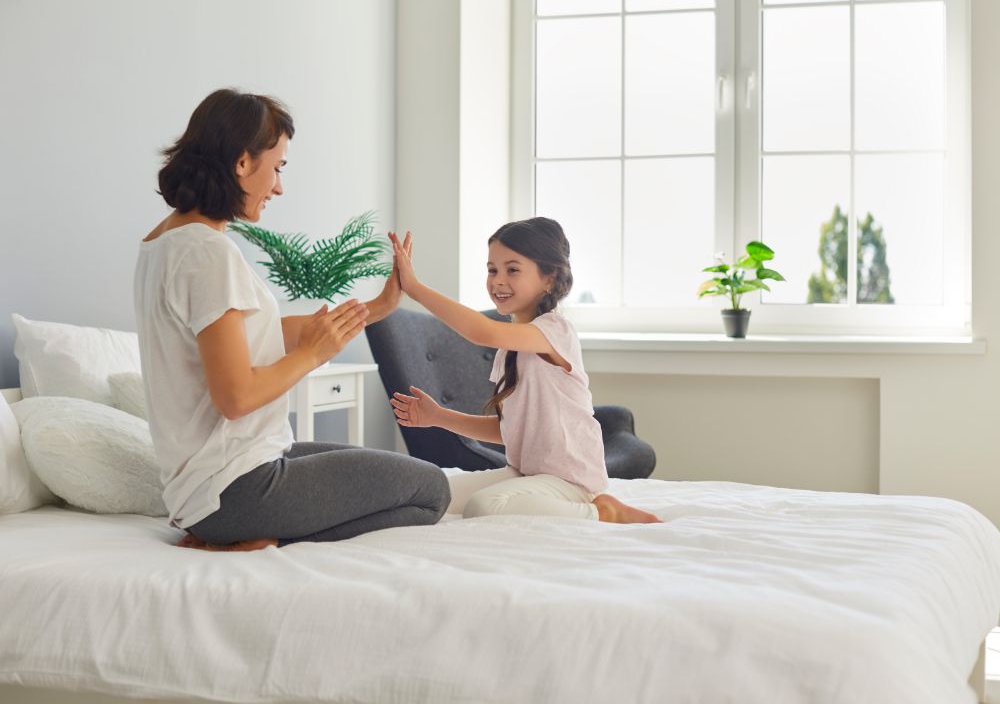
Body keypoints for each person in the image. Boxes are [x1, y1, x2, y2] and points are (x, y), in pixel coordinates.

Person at [134, 88, 450, 551]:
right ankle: (261, 537)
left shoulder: (165, 242)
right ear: (243, 162)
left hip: (211, 491)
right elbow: (237, 397)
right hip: (236, 490)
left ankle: (229, 535)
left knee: (386, 468)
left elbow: (252, 337)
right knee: (432, 491)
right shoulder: (207, 253)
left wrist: (379, 308)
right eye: (277, 166)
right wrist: (310, 355)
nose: (279, 186)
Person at [387, 217, 660, 524]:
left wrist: (414, 288)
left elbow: (482, 332)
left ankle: (600, 511)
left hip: (569, 482)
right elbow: (510, 430)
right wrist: (438, 417)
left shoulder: (555, 331)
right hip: (525, 474)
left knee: (484, 507)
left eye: (512, 269)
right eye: (492, 270)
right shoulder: (510, 349)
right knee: (431, 493)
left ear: (549, 278)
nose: (498, 280)